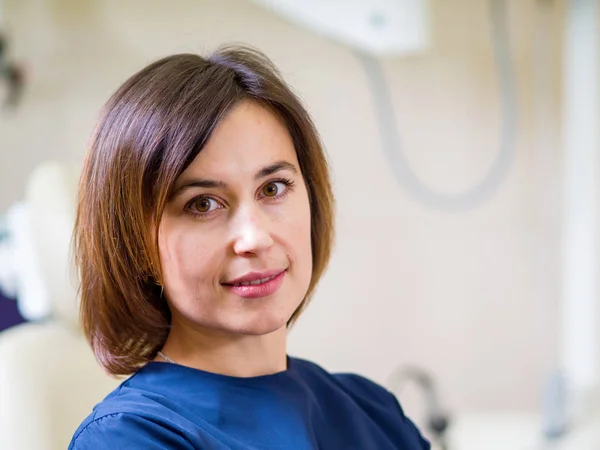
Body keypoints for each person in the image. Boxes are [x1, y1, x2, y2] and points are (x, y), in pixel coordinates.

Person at [68, 45, 430, 450]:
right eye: (202, 204)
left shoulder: (371, 410)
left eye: (273, 188)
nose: (255, 238)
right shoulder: (130, 438)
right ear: (135, 243)